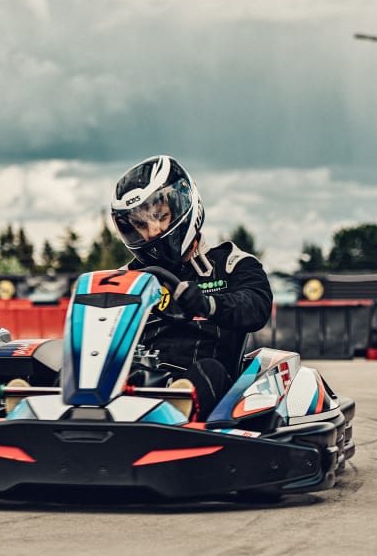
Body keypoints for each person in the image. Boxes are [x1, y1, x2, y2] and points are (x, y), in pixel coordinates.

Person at [111, 155, 272, 419]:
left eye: (159, 217)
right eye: (140, 224)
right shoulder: (125, 278)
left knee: (209, 370)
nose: (150, 233)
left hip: (205, 382)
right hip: (134, 378)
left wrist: (210, 305)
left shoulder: (232, 264)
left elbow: (257, 305)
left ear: (184, 205)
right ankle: (37, 405)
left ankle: (175, 410)